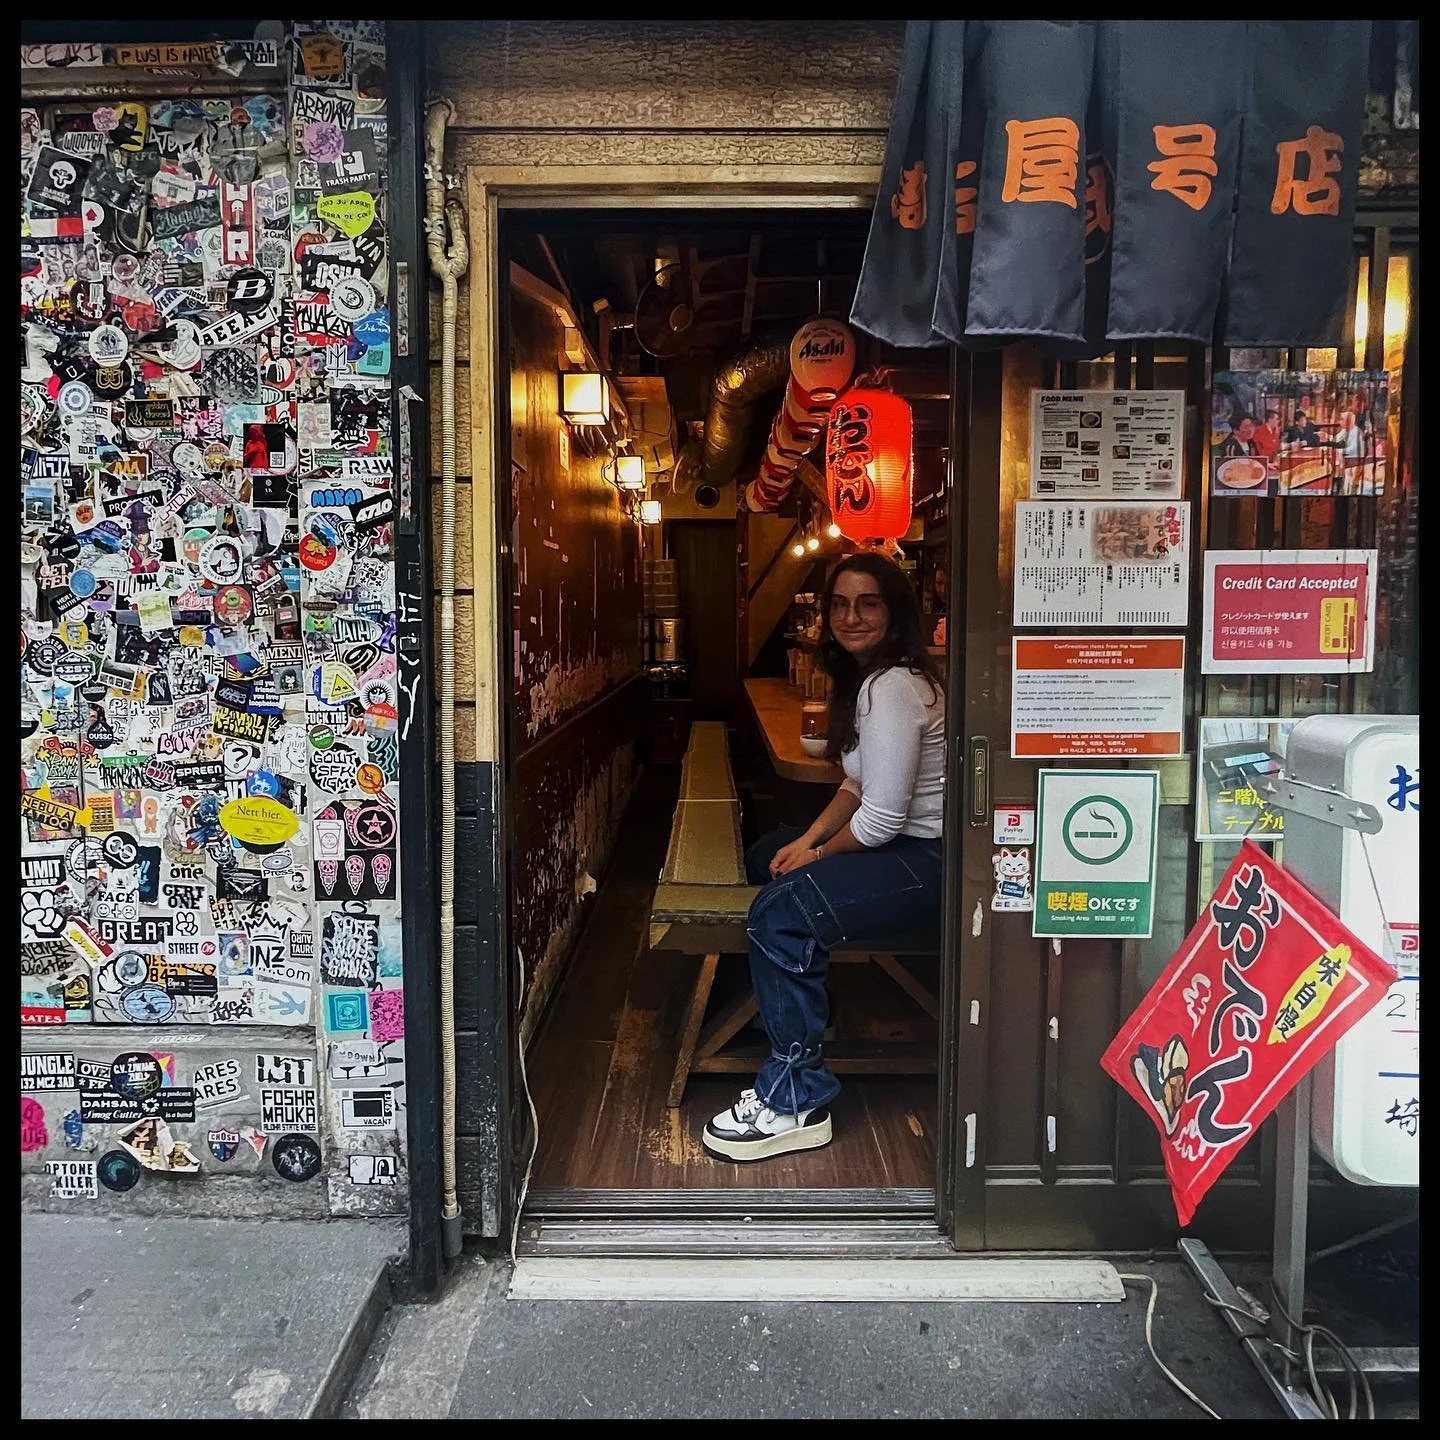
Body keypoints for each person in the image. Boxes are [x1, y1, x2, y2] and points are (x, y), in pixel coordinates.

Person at [702, 552, 945, 1161]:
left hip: (927, 861)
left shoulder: (892, 689)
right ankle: (785, 1007)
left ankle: (794, 1097)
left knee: (780, 912)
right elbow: (856, 786)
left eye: (867, 603)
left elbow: (882, 821)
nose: (850, 616)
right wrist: (806, 841)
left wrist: (815, 857)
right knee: (768, 852)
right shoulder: (876, 680)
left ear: (894, 612)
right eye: (839, 604)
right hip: (904, 848)